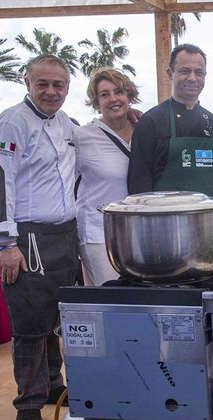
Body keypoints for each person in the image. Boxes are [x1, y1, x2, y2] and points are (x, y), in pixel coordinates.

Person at [0, 54, 80, 420]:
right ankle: (27, 405)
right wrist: (6, 243)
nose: (51, 91)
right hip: (27, 239)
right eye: (43, 83)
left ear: (68, 87)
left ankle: (53, 385)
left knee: (54, 318)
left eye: (58, 85)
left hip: (64, 235)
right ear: (27, 83)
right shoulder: (11, 122)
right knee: (28, 325)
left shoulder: (67, 123)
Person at [127, 44, 213, 197]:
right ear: (170, 73)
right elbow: (138, 185)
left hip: (211, 212)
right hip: (163, 211)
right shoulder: (150, 122)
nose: (192, 78)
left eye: (199, 72)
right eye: (185, 71)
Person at [75, 68, 139, 286]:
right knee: (109, 295)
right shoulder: (82, 137)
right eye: (104, 94)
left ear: (129, 95)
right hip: (98, 234)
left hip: (138, 233)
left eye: (118, 92)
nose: (113, 99)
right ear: (96, 102)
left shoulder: (144, 129)